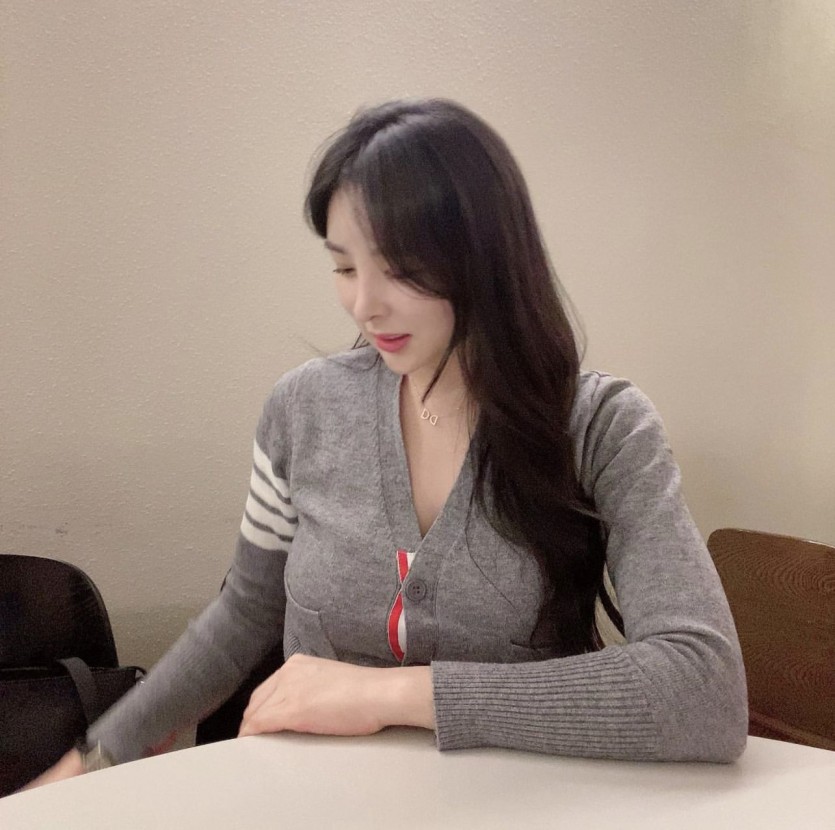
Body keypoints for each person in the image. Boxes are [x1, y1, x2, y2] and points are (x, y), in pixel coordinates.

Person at [28, 98, 747, 787]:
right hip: (313, 799)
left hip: (518, 803)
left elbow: (704, 691)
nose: (364, 304)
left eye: (399, 268)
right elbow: (246, 611)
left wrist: (386, 695)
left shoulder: (600, 426)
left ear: (487, 257)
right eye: (344, 267)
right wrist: (97, 759)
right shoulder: (301, 410)